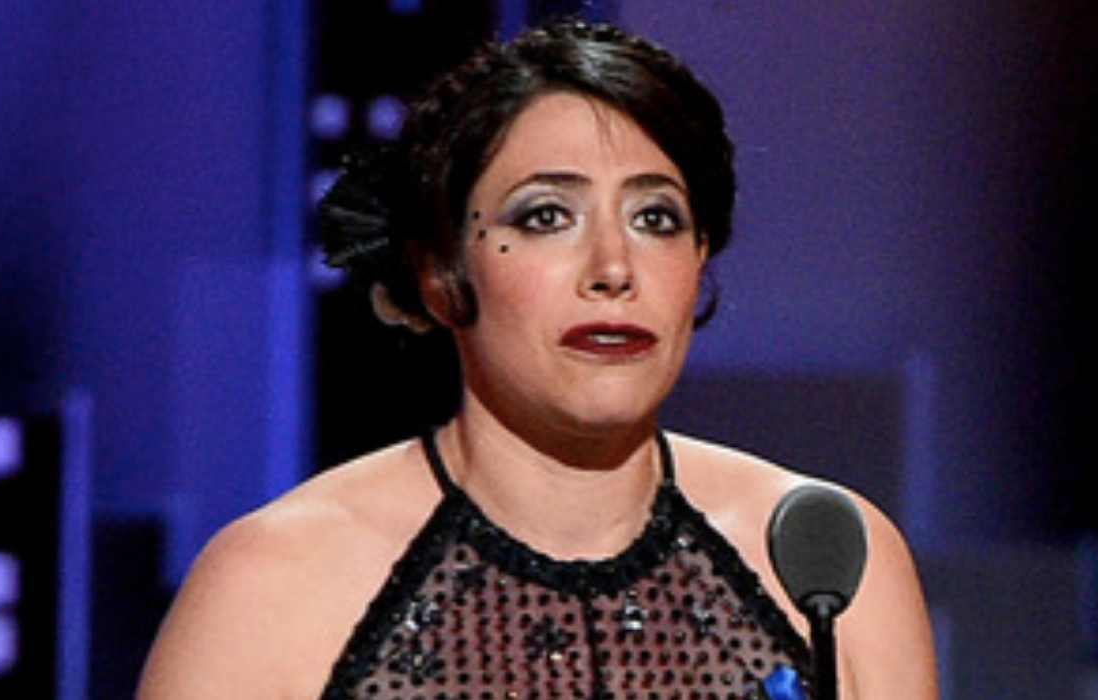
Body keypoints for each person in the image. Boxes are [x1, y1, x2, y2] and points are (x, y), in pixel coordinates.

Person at [136, 20, 938, 700]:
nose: (613, 268)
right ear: (441, 270)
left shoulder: (824, 560)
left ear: (699, 261)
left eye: (656, 219)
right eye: (547, 216)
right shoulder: (276, 583)